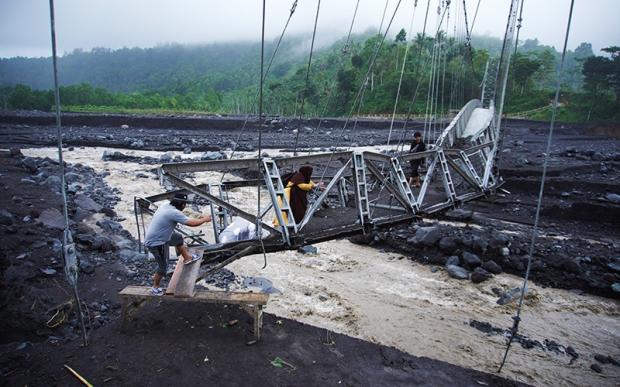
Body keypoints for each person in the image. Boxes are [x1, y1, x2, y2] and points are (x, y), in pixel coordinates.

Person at [144, 193, 211, 295]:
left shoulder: (166, 205)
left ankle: (187, 258)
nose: (185, 206)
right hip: (157, 243)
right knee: (163, 268)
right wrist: (204, 219)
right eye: (184, 204)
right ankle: (155, 287)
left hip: (161, 236)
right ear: (180, 204)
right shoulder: (173, 213)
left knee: (178, 238)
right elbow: (192, 223)